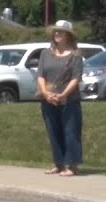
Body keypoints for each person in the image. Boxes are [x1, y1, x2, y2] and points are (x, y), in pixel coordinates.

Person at [36, 19, 85, 176]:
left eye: (61, 32)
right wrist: (44, 93)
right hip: (48, 99)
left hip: (69, 100)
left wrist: (63, 94)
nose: (57, 34)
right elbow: (40, 75)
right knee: (53, 131)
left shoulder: (75, 55)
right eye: (55, 31)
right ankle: (58, 163)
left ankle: (72, 165)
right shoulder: (45, 53)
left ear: (68, 35)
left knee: (70, 131)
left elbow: (76, 78)